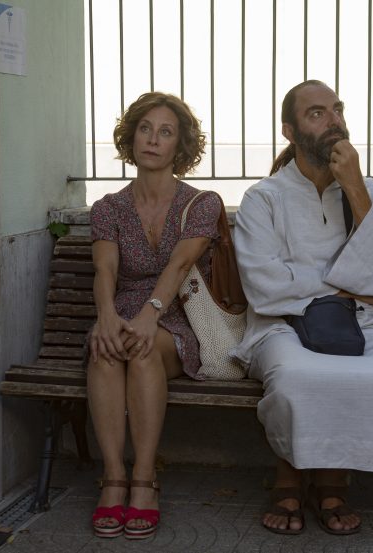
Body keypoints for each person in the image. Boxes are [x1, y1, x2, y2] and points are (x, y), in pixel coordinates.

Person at [232, 80, 373, 535]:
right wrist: (350, 287)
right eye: (317, 113)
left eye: (337, 109)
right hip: (283, 327)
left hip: (369, 326)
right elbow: (266, 288)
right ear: (289, 132)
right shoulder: (263, 199)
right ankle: (296, 477)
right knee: (298, 380)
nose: (333, 120)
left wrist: (354, 188)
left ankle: (331, 474)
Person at [87, 91, 221, 540]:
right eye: (145, 129)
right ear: (131, 137)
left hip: (178, 315)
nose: (153, 140)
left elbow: (180, 266)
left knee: (142, 351)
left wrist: (152, 314)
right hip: (122, 312)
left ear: (179, 146)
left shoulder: (202, 203)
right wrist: (106, 316)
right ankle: (112, 478)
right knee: (106, 350)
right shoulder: (108, 208)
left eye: (166, 132)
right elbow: (105, 267)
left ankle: (144, 478)